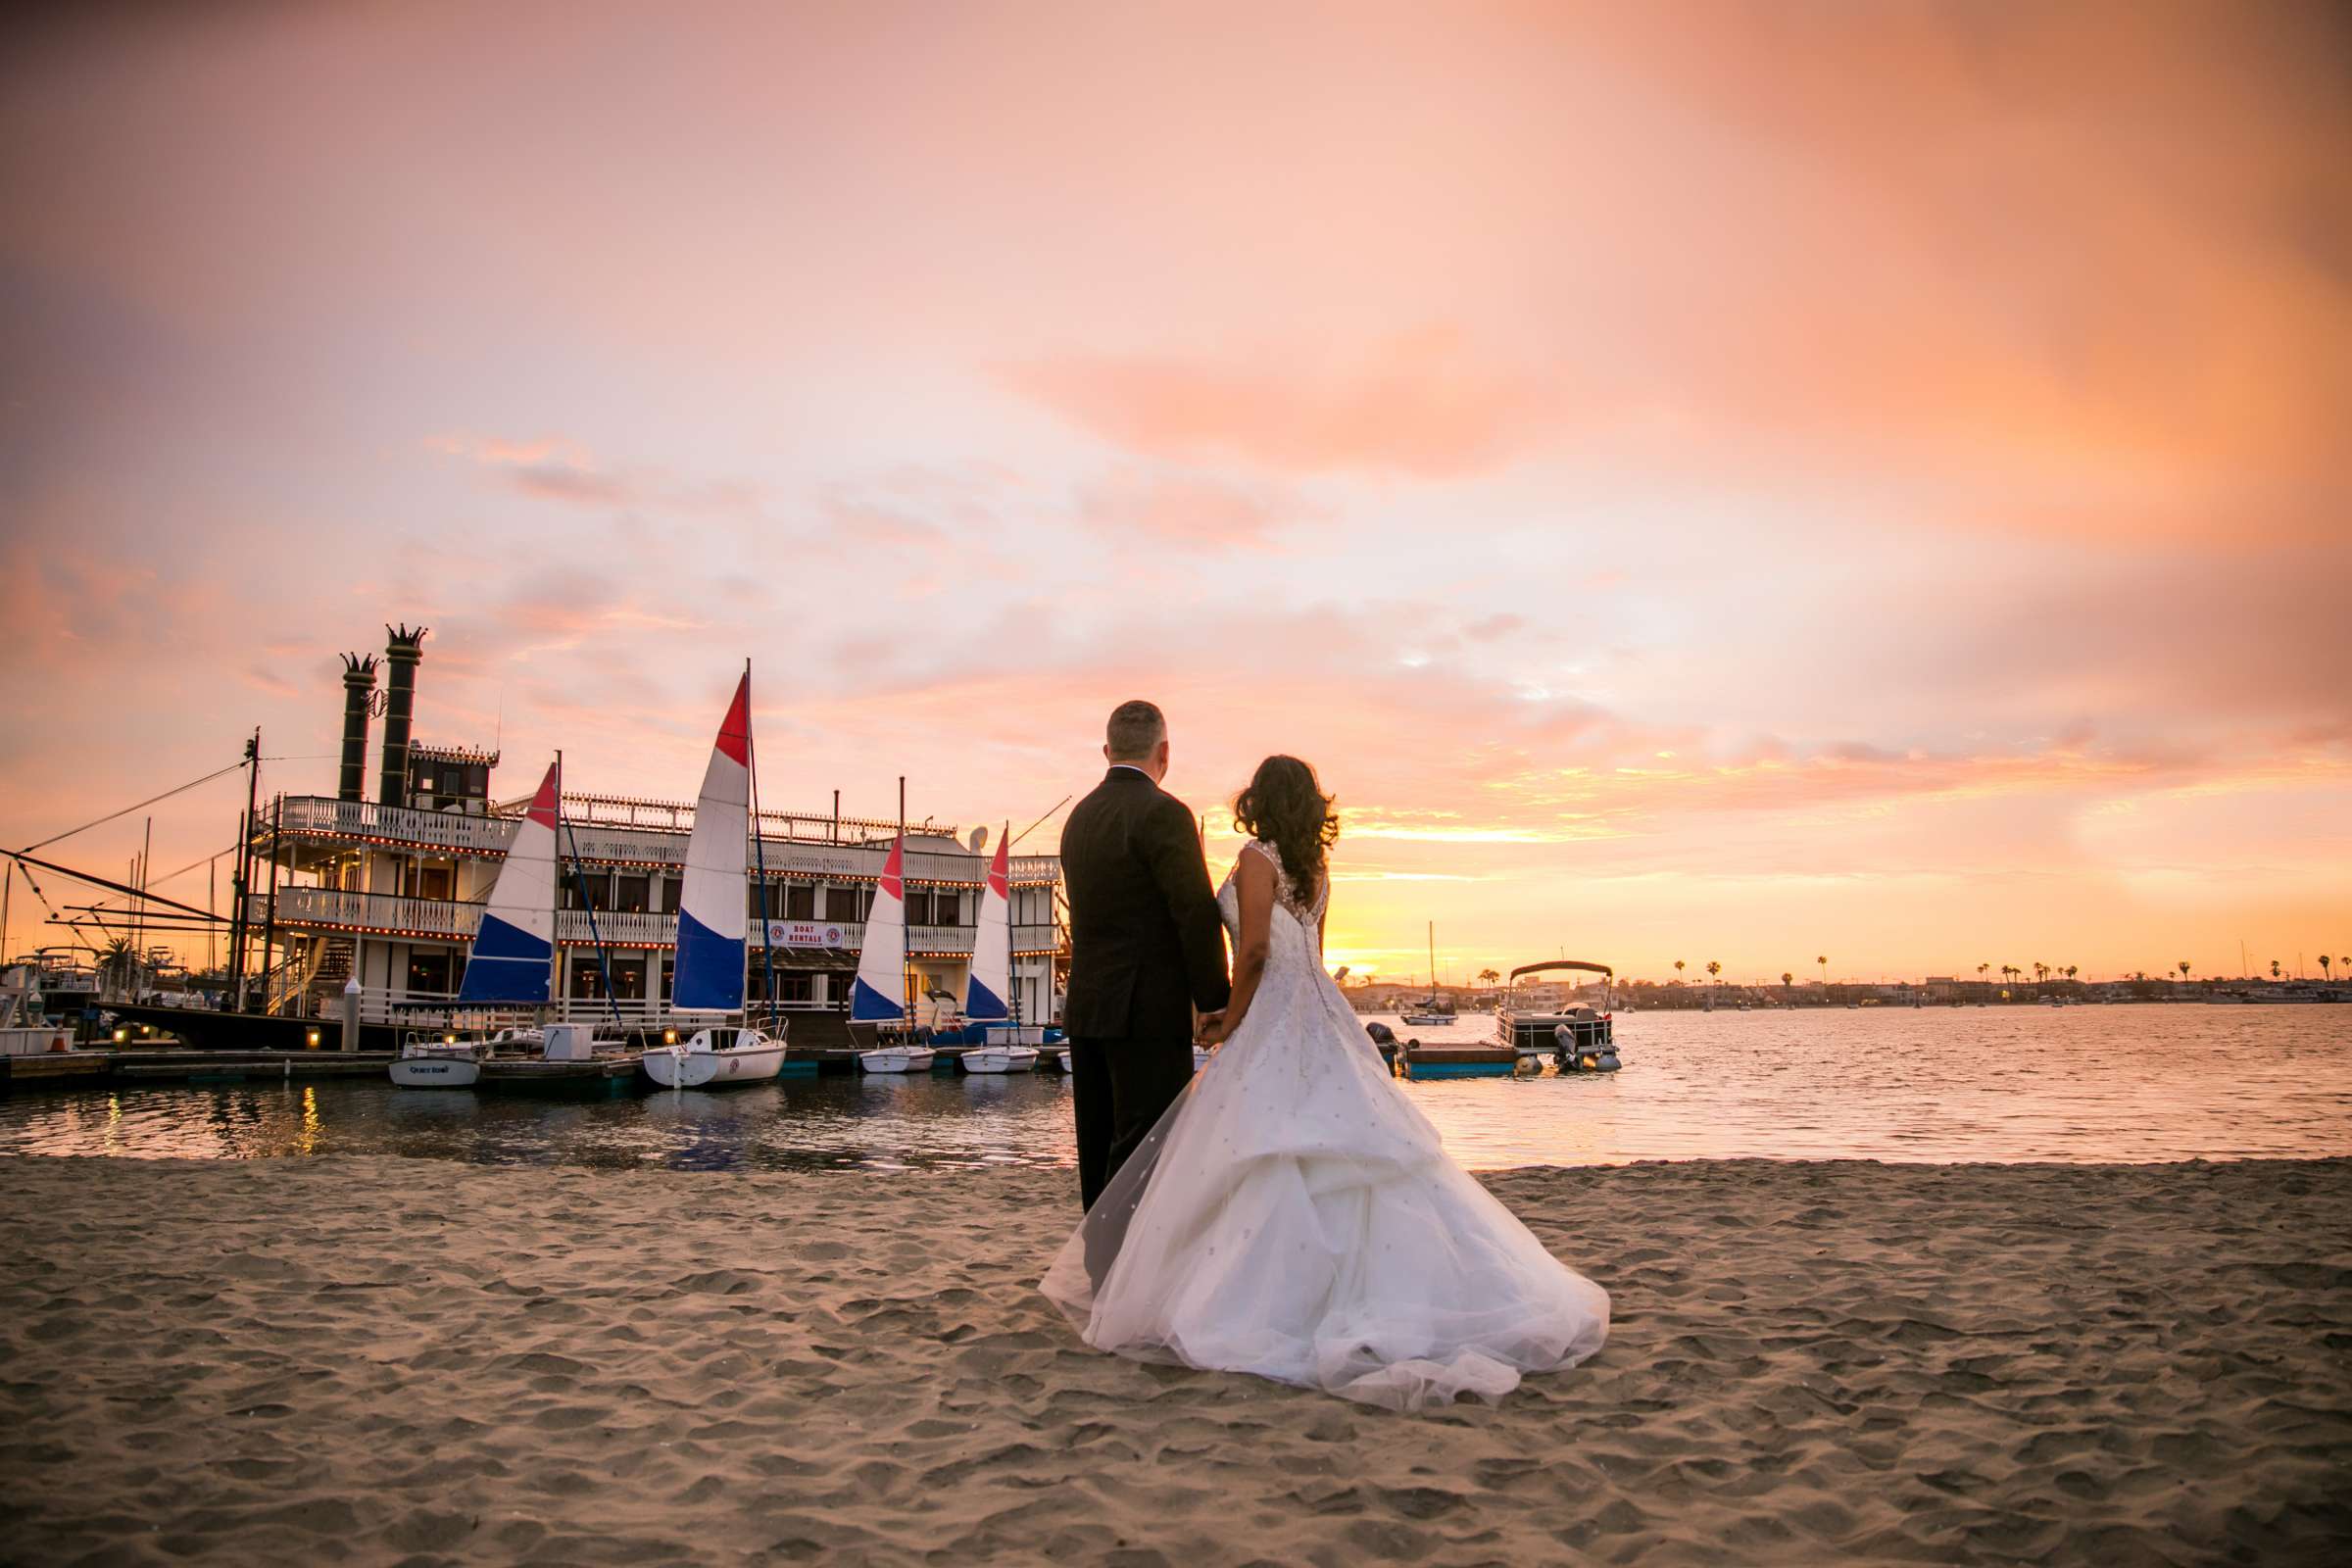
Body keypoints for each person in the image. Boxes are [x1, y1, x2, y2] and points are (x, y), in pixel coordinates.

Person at [1042, 755, 1609, 1411]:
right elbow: (1311, 950)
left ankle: (1275, 1304)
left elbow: (1253, 950)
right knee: (1340, 1147)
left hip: (1273, 1014)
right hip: (1324, 1015)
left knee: (1271, 1148)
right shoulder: (1316, 867)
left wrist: (1228, 1017)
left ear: (1258, 800)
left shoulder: (1257, 857)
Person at [1056, 700, 1232, 1211]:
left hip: (1087, 1009)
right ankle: (1135, 1269)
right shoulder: (1166, 814)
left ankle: (1100, 1266)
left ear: (1108, 751)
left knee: (1097, 1143)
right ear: (1165, 752)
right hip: (1148, 1012)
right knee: (1147, 1148)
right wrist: (1215, 1000)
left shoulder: (1079, 818)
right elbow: (1194, 914)